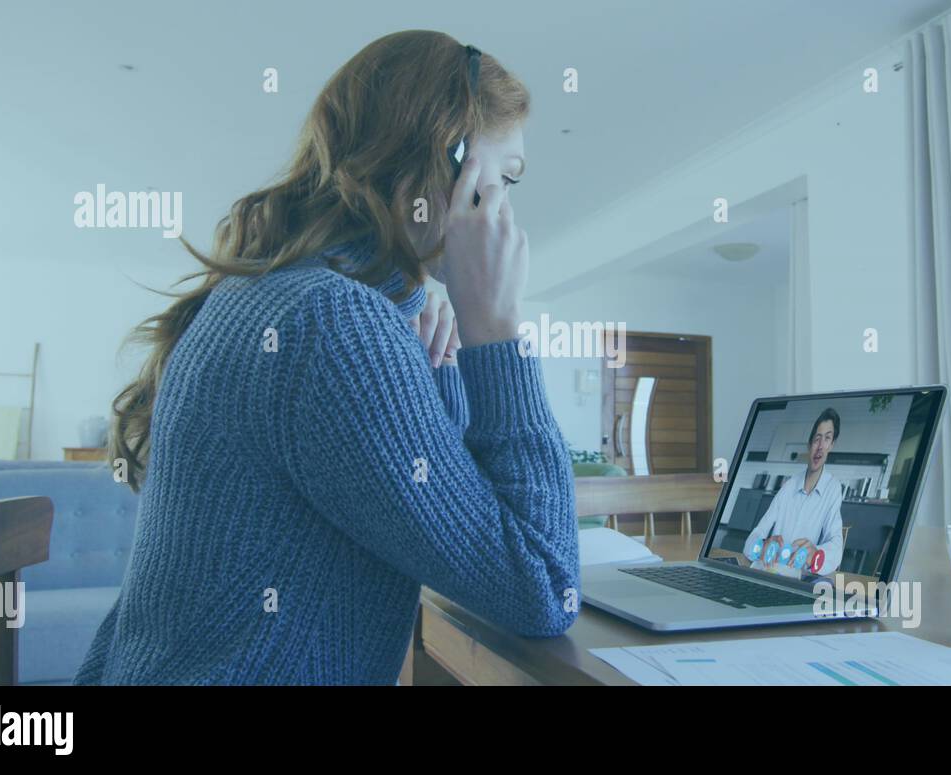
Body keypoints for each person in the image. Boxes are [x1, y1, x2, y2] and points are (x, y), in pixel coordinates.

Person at [74, 31, 578, 685]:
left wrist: (447, 364)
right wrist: (499, 334)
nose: (506, 214)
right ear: (448, 163)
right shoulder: (335, 325)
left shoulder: (283, 294)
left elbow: (449, 525)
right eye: (502, 180)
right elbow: (544, 585)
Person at [741, 408, 844, 576]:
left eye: (827, 439)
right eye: (817, 439)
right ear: (809, 444)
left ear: (832, 445)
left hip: (798, 580)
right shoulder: (789, 486)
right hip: (769, 573)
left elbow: (837, 547)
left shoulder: (832, 488)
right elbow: (753, 538)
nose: (820, 447)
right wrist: (761, 546)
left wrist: (815, 553)